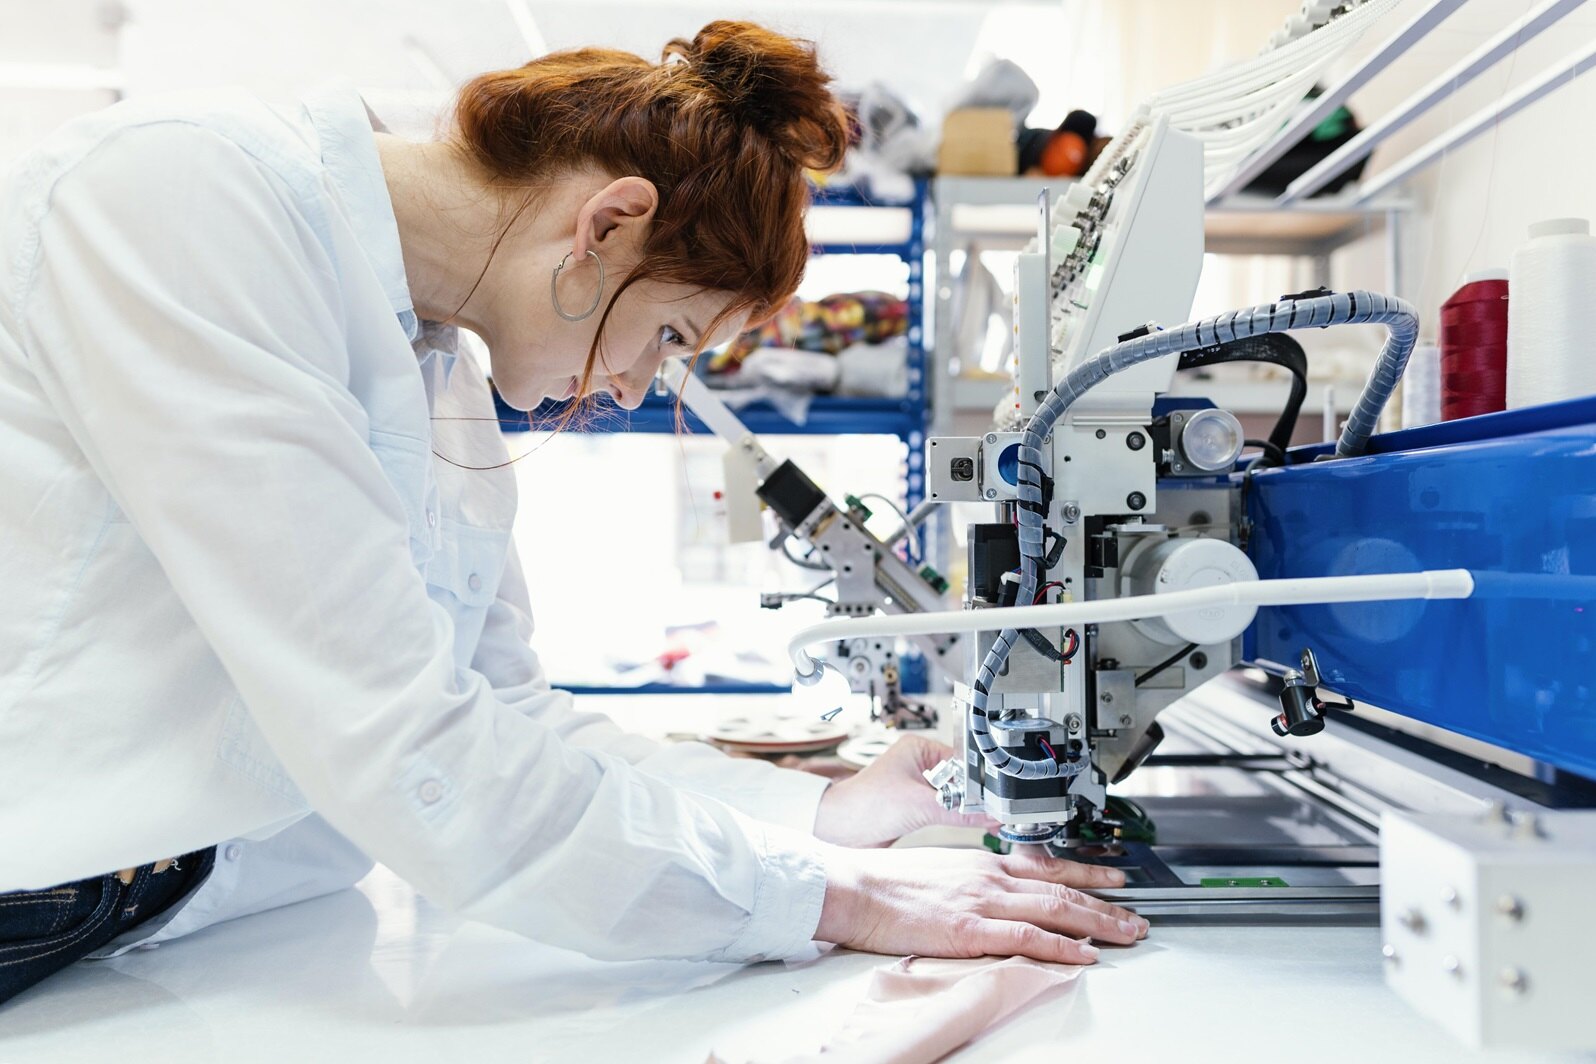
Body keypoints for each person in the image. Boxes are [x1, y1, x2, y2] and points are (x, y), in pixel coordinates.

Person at [0, 20, 1146, 1008]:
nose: (639, 388)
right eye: (670, 336)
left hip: (194, 909)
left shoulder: (438, 366)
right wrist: (827, 898)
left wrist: (822, 810)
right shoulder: (190, 198)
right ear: (608, 225)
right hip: (41, 904)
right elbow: (404, 741)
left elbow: (508, 715)